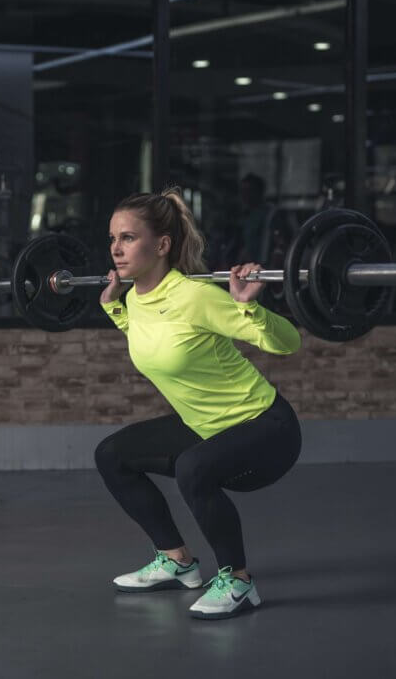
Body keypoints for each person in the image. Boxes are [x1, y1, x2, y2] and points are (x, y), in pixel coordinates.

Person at [95, 186, 302, 620]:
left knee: (193, 466)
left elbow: (287, 344)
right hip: (205, 425)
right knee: (112, 455)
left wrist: (250, 308)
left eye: (128, 238)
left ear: (162, 245)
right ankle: (177, 560)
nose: (116, 249)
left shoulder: (196, 297)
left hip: (265, 427)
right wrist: (115, 310)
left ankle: (239, 582)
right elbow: (153, 342)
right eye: (112, 239)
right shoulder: (135, 299)